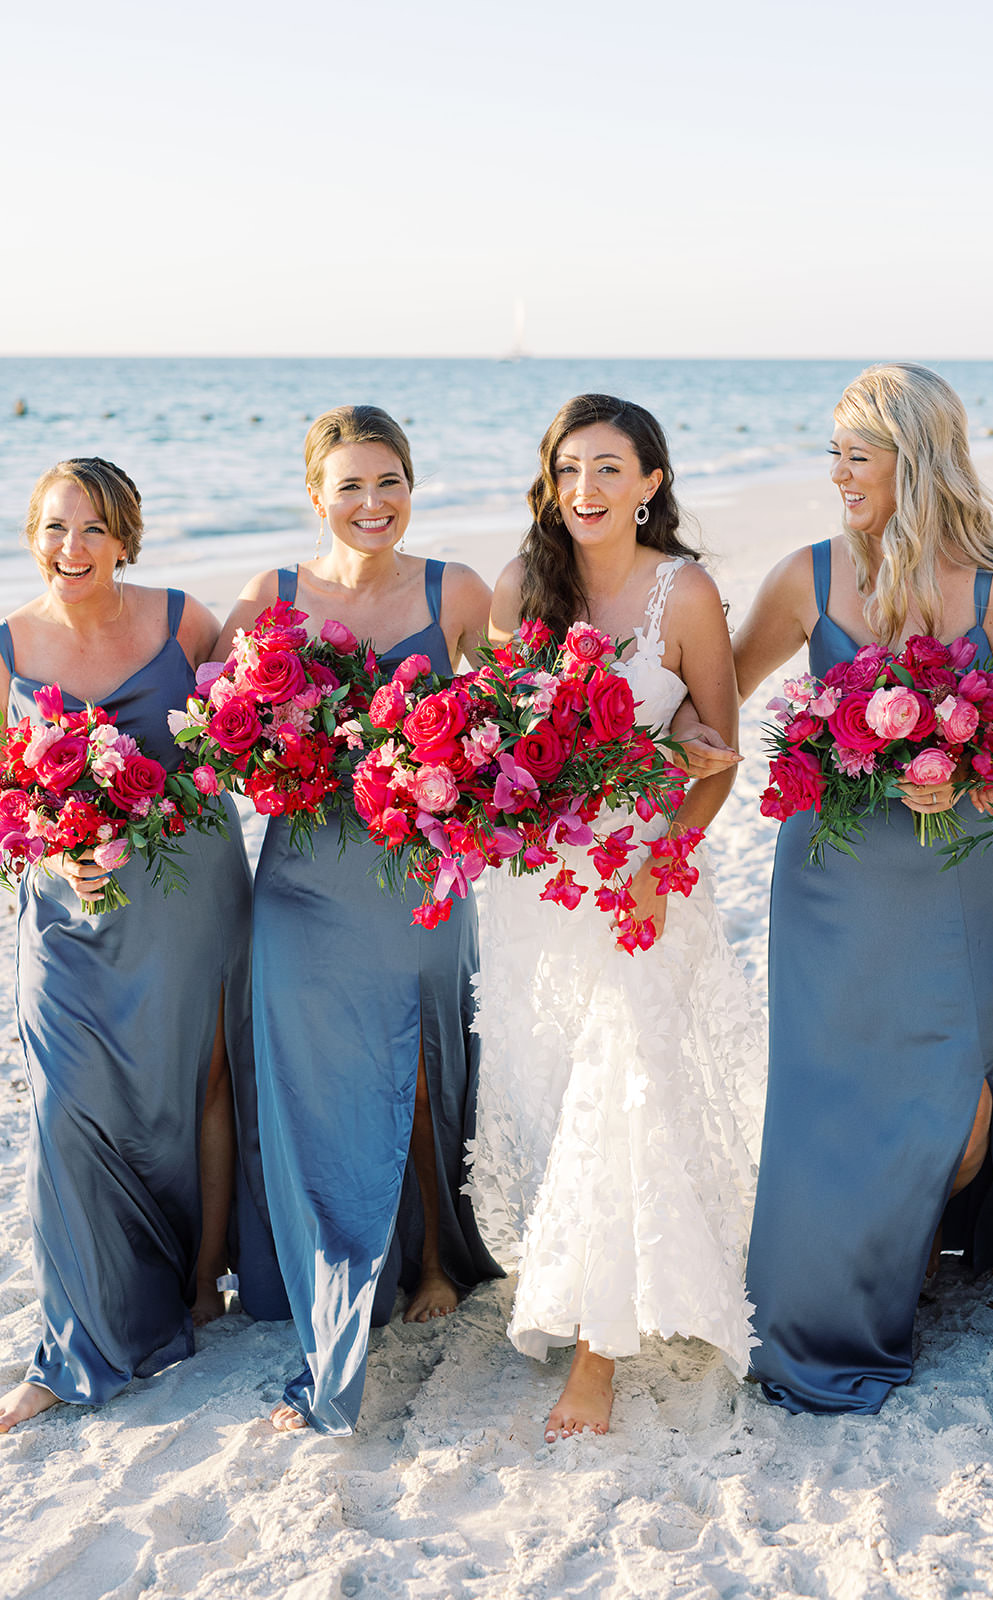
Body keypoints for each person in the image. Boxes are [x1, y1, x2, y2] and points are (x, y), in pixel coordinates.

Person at [721, 362, 993, 1414]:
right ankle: (841, 1287)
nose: (837, 474)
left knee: (956, 1103)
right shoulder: (807, 577)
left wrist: (971, 762)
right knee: (829, 1087)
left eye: (855, 455)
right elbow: (714, 692)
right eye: (833, 453)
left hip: (948, 880)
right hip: (824, 879)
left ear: (914, 459)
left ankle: (916, 1234)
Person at [469, 393, 766, 1443]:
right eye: (568, 470)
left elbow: (719, 756)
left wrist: (665, 860)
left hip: (645, 875)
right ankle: (611, 1275)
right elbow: (497, 748)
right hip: (539, 886)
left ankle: (596, 1358)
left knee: (625, 1079)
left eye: (608, 469)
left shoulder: (685, 594)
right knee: (569, 1092)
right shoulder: (521, 586)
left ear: (651, 482)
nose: (585, 490)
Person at [217, 405, 501, 1436]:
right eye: (350, 485)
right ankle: (330, 1287)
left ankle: (433, 1258)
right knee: (311, 1074)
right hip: (302, 877)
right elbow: (214, 723)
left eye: (390, 481)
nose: (372, 503)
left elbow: (529, 705)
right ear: (315, 495)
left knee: (421, 1054)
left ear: (412, 484)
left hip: (419, 873)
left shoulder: (454, 590)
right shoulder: (270, 597)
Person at [0, 457, 286, 1435]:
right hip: (71, 914)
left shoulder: (186, 623)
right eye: (51, 528)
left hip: (193, 885)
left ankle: (204, 1286)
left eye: (90, 529)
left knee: (201, 1083)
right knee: (68, 1109)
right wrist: (46, 854)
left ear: (126, 535)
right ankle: (73, 1346)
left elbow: (240, 742)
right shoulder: (7, 647)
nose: (69, 549)